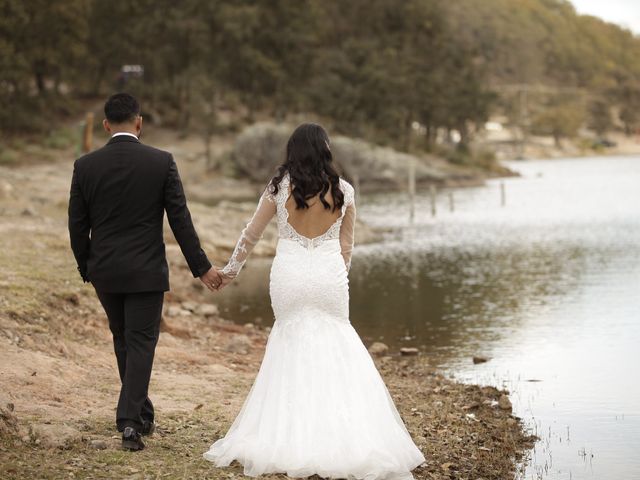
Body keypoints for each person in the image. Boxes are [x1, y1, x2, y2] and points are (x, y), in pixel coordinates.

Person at [203, 123, 425, 479]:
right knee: (337, 343)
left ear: (293, 152)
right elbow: (347, 246)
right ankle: (343, 435)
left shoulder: (278, 189)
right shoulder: (344, 191)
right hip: (327, 276)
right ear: (324, 150)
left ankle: (289, 434)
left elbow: (251, 235)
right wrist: (339, 275)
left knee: (290, 343)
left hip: (289, 275)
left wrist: (229, 272)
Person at [68, 93, 221, 451]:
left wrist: (86, 264)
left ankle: (141, 412)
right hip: (146, 271)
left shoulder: (85, 165)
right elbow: (180, 220)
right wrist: (202, 268)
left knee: (124, 338)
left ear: (106, 125)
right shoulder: (161, 162)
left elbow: (77, 224)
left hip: (105, 271)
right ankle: (130, 422)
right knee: (139, 342)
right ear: (139, 122)